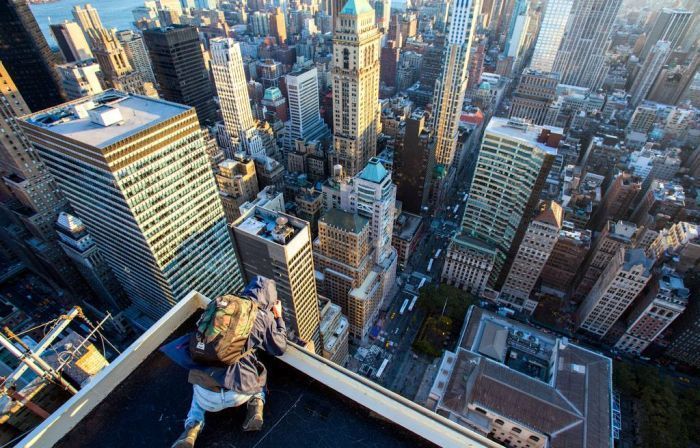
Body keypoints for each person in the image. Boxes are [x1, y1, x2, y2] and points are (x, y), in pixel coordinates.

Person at [172, 277, 287, 448]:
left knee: (198, 382)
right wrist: (278, 318)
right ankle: (256, 403)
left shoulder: (221, 304)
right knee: (260, 371)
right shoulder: (264, 316)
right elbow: (279, 348)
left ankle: (192, 425)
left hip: (207, 399)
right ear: (269, 299)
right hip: (240, 393)